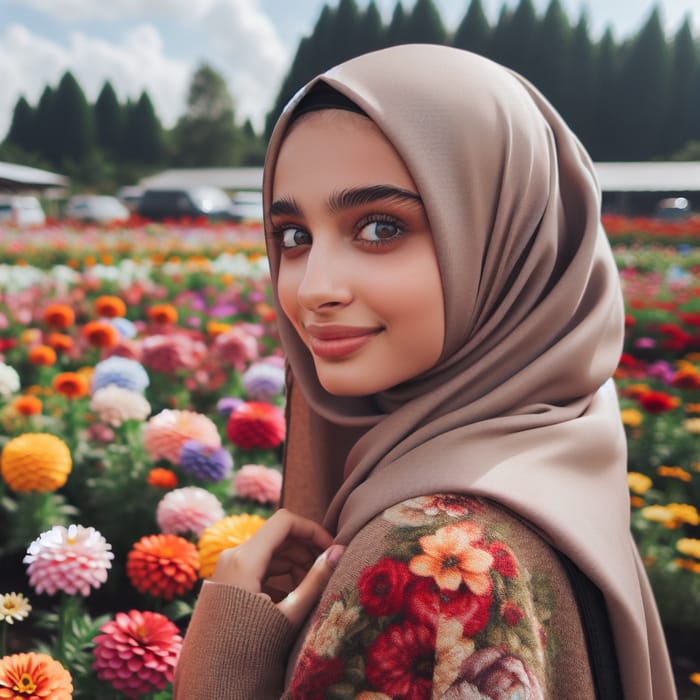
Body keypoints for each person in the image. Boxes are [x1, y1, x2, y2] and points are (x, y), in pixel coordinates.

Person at [174, 44, 676, 699]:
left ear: (508, 241)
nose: (312, 288)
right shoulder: (563, 444)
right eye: (294, 235)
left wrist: (223, 670)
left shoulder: (433, 564)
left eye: (380, 227)